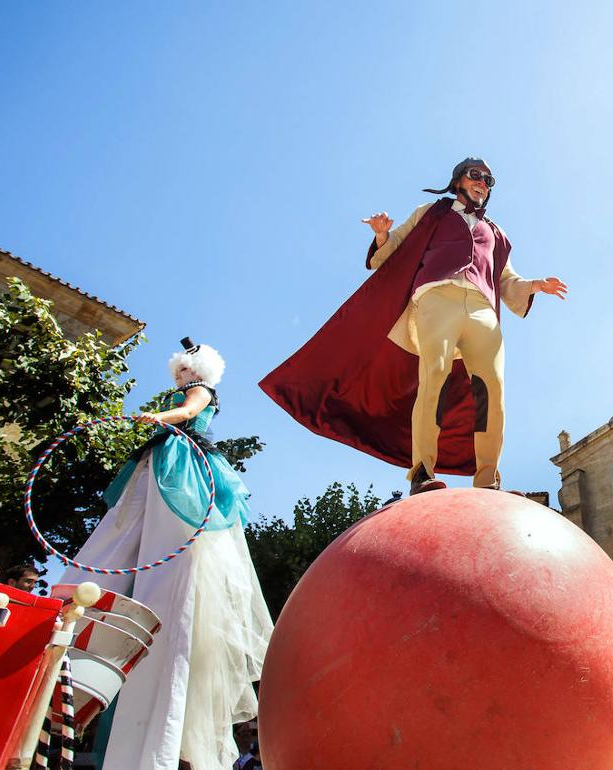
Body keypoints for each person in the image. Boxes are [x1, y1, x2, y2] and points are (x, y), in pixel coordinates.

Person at [261, 157, 567, 496]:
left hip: (482, 309)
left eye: (489, 180)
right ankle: (422, 473)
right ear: (458, 181)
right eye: (476, 175)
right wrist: (381, 234)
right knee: (433, 376)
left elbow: (507, 282)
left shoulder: (496, 233)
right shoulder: (431, 212)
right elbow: (391, 251)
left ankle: (488, 479)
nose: (483, 182)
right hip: (436, 298)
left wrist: (535, 285)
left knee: (491, 388)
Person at [61, 339, 273, 770]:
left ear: (200, 371)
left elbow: (190, 411)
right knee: (130, 520)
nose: (179, 377)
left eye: (184, 370)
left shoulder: (200, 394)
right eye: (176, 372)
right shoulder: (176, 405)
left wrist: (163, 416)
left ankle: (161, 557)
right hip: (161, 461)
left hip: (183, 463)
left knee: (171, 529)